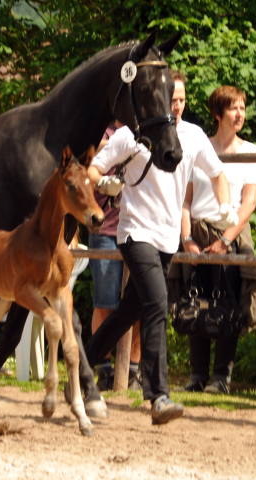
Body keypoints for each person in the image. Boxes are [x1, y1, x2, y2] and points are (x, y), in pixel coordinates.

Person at [83, 70, 238, 425]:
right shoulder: (132, 134)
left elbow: (217, 175)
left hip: (168, 239)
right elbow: (93, 169)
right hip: (136, 233)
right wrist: (104, 182)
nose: (177, 106)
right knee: (156, 303)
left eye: (181, 100)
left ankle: (83, 362)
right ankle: (158, 395)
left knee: (128, 313)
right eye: (171, 100)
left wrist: (225, 205)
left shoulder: (193, 136)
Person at [181, 85, 256, 394]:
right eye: (233, 108)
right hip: (196, 233)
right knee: (194, 301)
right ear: (218, 113)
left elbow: (248, 203)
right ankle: (197, 376)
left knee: (228, 304)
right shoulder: (200, 149)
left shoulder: (251, 152)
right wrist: (187, 238)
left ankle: (220, 379)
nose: (240, 113)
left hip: (232, 236)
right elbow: (184, 202)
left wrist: (225, 240)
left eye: (243, 107)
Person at [89, 121, 141, 392]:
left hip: (139, 231)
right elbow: (85, 165)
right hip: (106, 230)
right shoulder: (103, 132)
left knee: (139, 304)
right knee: (105, 302)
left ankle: (133, 370)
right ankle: (104, 367)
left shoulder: (146, 129)